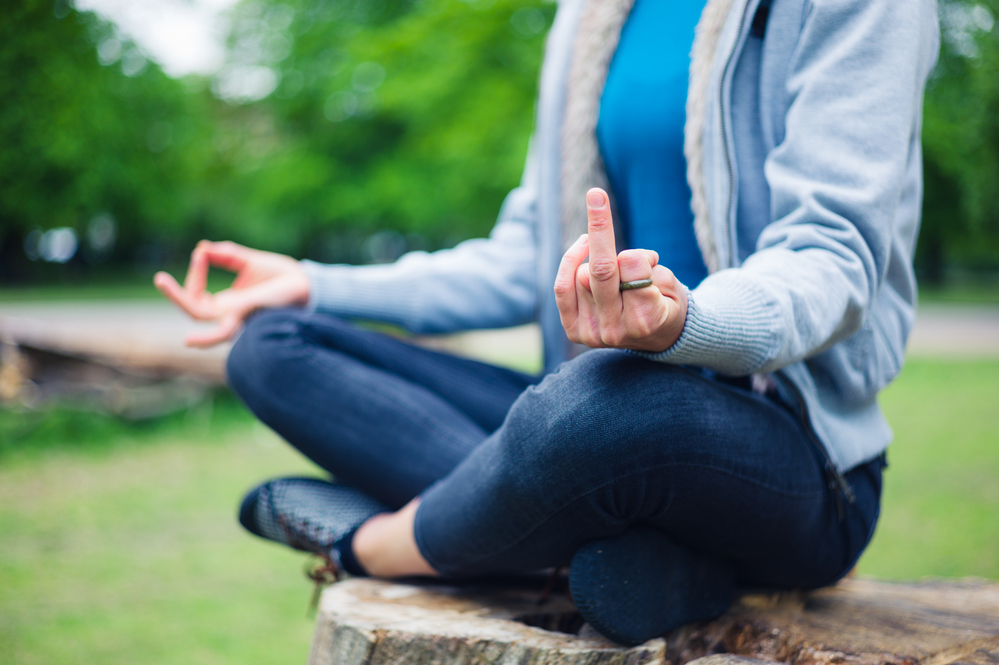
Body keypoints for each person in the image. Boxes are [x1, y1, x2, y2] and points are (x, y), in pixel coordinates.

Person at [156, 0, 939, 646]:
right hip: (585, 423)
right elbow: (525, 253)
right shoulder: (589, 15)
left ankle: (373, 544)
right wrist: (314, 282)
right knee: (271, 346)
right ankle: (639, 566)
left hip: (788, 459)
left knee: (593, 404)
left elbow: (832, 254)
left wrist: (685, 323)